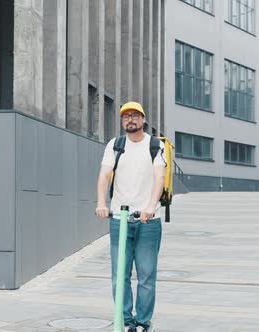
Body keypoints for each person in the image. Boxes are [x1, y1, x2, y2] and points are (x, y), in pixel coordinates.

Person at [95, 101, 166, 332]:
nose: (130, 120)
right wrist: (101, 203)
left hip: (148, 222)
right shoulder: (115, 145)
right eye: (126, 117)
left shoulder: (154, 145)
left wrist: (151, 206)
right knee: (119, 276)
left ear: (143, 120)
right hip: (119, 219)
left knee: (146, 276)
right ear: (122, 121)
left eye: (135, 116)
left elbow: (159, 177)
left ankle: (144, 322)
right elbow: (105, 175)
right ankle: (125, 321)